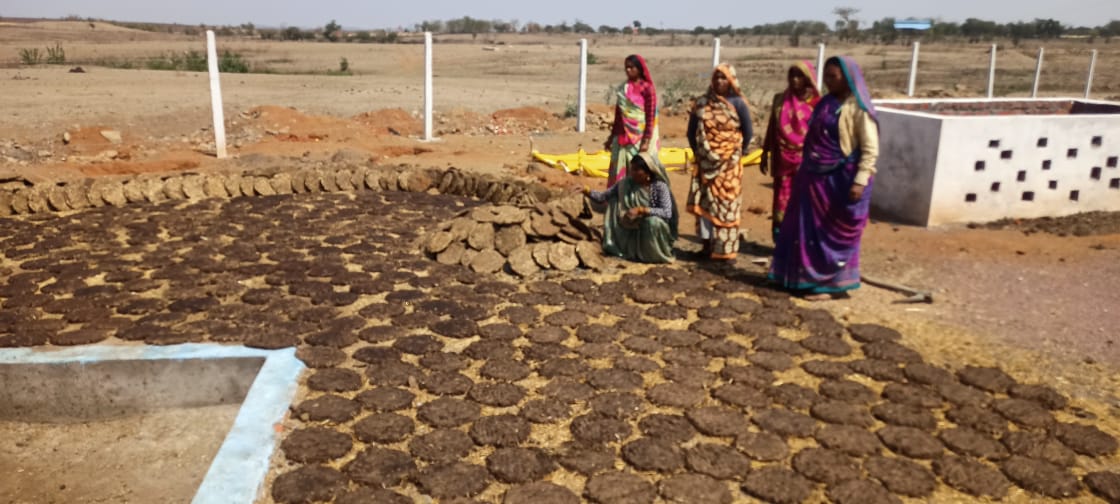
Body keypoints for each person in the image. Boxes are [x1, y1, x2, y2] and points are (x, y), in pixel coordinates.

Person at [768, 56, 880, 300]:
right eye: (826, 77)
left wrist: (860, 181)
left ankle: (832, 285)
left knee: (830, 233)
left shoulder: (858, 108)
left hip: (841, 180)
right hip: (813, 178)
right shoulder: (826, 103)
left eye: (833, 77)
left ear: (848, 79)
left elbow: (870, 149)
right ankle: (804, 279)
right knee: (808, 232)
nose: (828, 82)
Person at [686, 63, 753, 261]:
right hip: (705, 163)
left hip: (729, 164)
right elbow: (691, 132)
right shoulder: (702, 103)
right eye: (716, 77)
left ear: (731, 80)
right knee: (706, 202)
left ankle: (724, 248)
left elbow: (748, 133)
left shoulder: (738, 103)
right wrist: (701, 153)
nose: (719, 81)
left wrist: (735, 151)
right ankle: (706, 245)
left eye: (723, 78)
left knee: (727, 203)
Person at [580, 152, 678, 263]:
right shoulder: (625, 184)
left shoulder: (660, 187)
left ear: (648, 172)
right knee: (614, 202)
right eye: (632, 169)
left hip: (655, 228)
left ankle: (654, 256)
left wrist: (642, 210)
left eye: (637, 170)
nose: (633, 173)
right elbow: (603, 197)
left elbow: (666, 212)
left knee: (652, 222)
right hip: (630, 225)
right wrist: (586, 190)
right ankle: (626, 248)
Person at [761, 61, 821, 241]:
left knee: (805, 202)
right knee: (782, 200)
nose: (795, 80)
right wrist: (765, 153)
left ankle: (801, 243)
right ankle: (781, 243)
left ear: (808, 78)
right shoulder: (780, 100)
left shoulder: (818, 103)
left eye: (799, 75)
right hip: (783, 161)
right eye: (792, 75)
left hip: (807, 162)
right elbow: (772, 128)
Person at [603, 54, 660, 186]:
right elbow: (619, 116)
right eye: (626, 68)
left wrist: (646, 140)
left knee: (640, 170)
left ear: (639, 69)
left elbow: (650, 117)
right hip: (623, 137)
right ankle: (619, 201)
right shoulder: (624, 88)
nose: (628, 70)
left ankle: (640, 202)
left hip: (640, 138)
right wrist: (611, 137)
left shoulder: (647, 88)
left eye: (631, 67)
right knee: (619, 170)